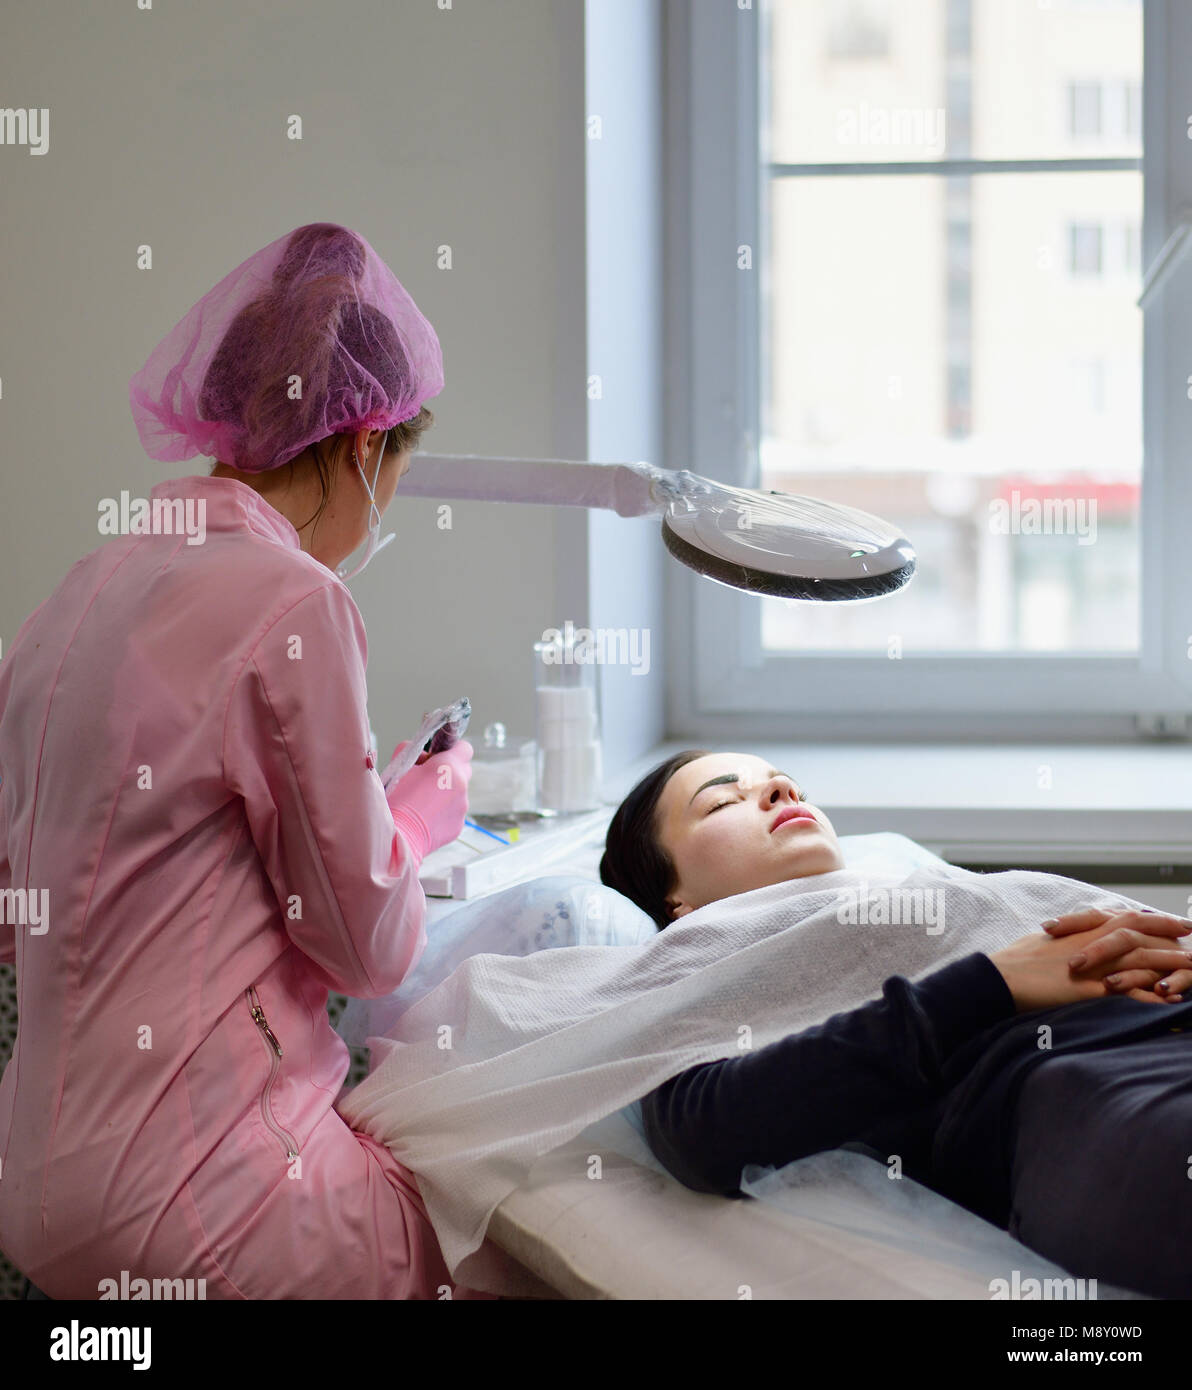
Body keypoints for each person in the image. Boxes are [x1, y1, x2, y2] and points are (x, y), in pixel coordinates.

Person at [0, 223, 494, 1299]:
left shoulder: (76, 594)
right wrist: (414, 814)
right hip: (206, 1206)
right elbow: (370, 947)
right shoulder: (294, 601)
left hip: (36, 1203)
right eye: (395, 475)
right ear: (367, 445)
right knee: (507, 1244)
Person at [599, 749, 1192, 1299]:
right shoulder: (705, 980)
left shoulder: (941, 896)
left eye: (785, 783)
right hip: (1107, 1092)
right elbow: (704, 1131)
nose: (780, 788)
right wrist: (993, 983)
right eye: (724, 801)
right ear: (677, 902)